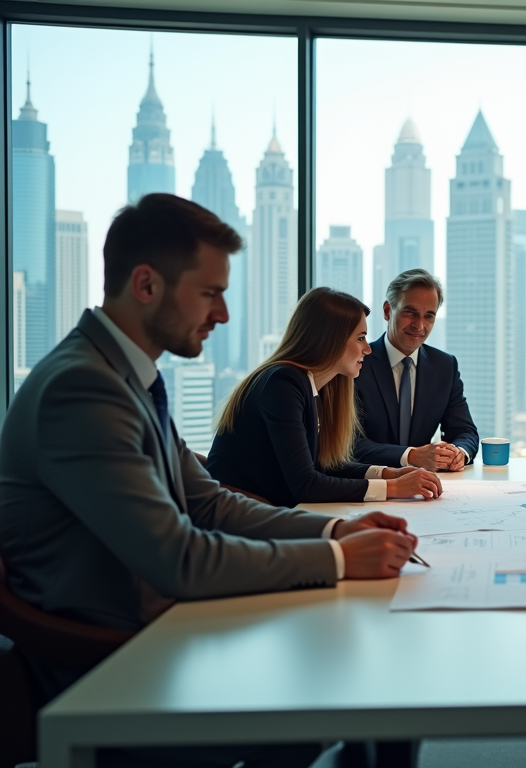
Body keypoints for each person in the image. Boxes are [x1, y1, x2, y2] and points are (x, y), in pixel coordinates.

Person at [0, 194, 417, 767]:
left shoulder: (124, 377)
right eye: (211, 293)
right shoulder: (83, 390)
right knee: (361, 680)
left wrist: (333, 534)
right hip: (119, 663)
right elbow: (181, 560)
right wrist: (341, 561)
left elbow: (212, 503)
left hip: (162, 625)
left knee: (370, 678)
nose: (222, 314)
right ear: (146, 285)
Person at [206, 288, 443, 508]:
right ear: (331, 339)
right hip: (237, 516)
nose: (367, 349)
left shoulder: (314, 385)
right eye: (360, 338)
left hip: (267, 508)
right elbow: (306, 485)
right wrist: (393, 488)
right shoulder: (283, 383)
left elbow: (325, 465)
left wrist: (386, 473)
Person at [354, 269, 478, 471]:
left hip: (424, 490)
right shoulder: (358, 363)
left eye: (429, 316)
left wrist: (459, 453)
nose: (419, 325)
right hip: (368, 485)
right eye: (410, 312)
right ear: (387, 311)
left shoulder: (445, 366)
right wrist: (411, 456)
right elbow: (349, 444)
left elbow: (465, 431)